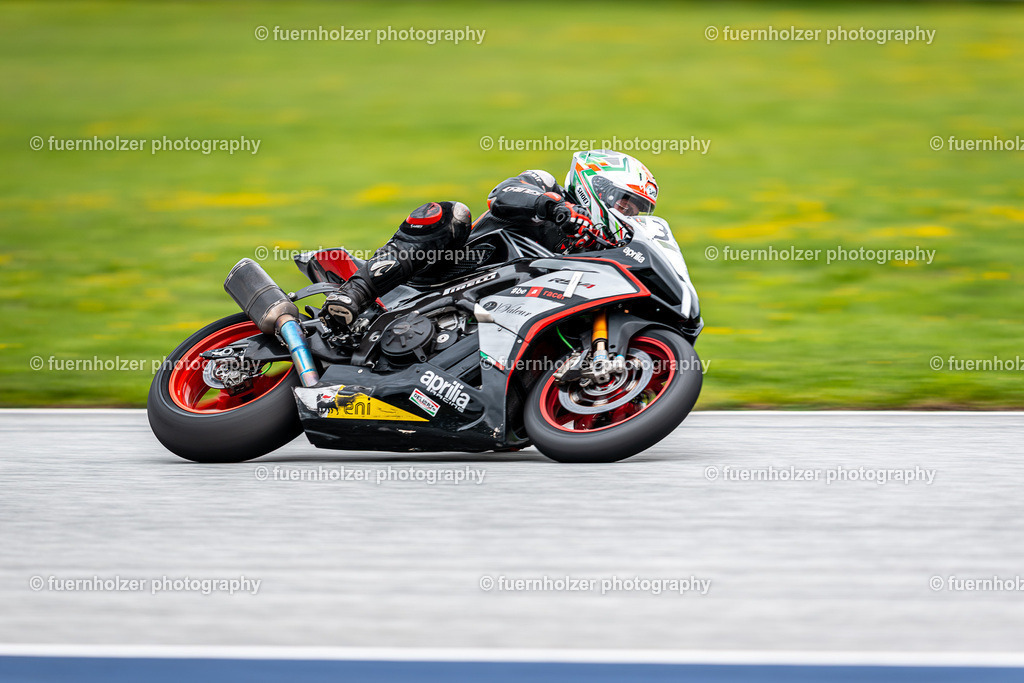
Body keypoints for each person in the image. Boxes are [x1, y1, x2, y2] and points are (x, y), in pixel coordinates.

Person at [324, 150, 660, 327]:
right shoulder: (546, 185)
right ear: (595, 186)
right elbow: (502, 195)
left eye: (636, 210)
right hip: (442, 274)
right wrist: (555, 208)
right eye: (625, 202)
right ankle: (356, 292)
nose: (628, 214)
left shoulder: (595, 248)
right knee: (450, 214)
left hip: (499, 311)